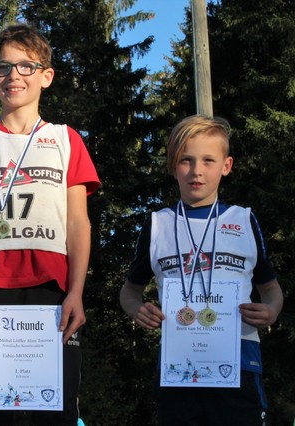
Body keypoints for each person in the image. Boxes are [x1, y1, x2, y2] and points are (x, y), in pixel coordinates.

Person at [0, 23, 100, 425]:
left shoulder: (66, 140)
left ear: (46, 76)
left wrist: (76, 291)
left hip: (53, 293)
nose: (14, 76)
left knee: (56, 410)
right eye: (3, 67)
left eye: (26, 67)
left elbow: (79, 224)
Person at [120, 114, 283, 425]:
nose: (197, 171)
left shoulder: (244, 219)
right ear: (172, 166)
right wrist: (138, 310)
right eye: (186, 160)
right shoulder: (157, 224)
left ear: (226, 165)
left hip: (239, 363)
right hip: (179, 367)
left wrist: (272, 310)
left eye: (208, 160)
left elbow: (270, 288)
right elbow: (130, 291)